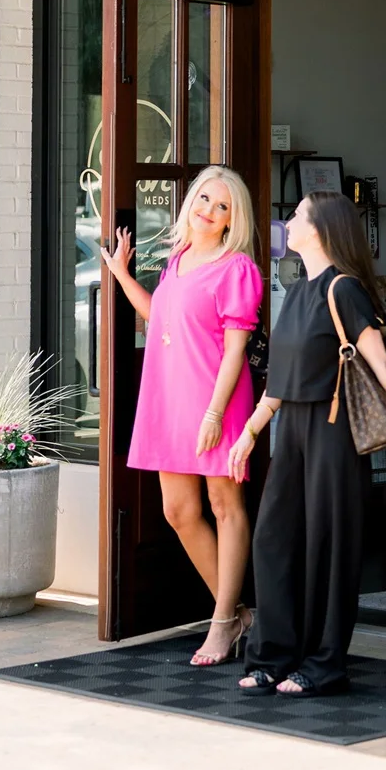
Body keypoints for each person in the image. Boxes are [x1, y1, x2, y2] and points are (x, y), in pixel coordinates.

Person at [230, 190, 386, 698]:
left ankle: (323, 663)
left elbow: (382, 367)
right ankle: (273, 656)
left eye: (295, 216)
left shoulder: (344, 290)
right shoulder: (295, 292)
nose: (287, 222)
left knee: (327, 548)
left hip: (335, 432)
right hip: (290, 429)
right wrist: (250, 430)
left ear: (318, 229)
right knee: (275, 539)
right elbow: (280, 380)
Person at [102, 165, 263, 666]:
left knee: (223, 503)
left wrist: (216, 413)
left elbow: (237, 350)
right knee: (177, 511)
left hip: (216, 399)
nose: (210, 211)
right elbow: (161, 318)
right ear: (190, 200)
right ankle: (235, 613)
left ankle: (220, 625)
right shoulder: (179, 258)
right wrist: (123, 277)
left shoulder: (237, 267)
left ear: (233, 219)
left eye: (223, 207)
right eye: (205, 199)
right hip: (169, 398)